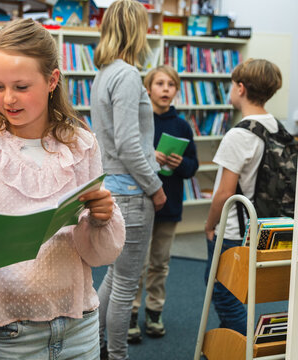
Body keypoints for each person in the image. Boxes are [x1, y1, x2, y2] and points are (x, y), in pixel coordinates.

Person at [0, 18, 125, 360]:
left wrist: (102, 218)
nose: (8, 99)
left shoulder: (82, 145)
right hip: (12, 331)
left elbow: (98, 255)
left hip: (79, 323)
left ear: (52, 80)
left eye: (21, 87)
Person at [90, 0, 167, 358]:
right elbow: (127, 143)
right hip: (132, 193)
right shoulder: (126, 75)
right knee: (125, 284)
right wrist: (155, 186)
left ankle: (95, 346)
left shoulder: (105, 73)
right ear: (135, 29)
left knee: (113, 277)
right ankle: (115, 354)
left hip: (113, 187)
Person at [204, 58, 282, 335]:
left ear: (240, 88)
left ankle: (243, 346)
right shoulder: (277, 127)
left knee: (223, 291)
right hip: (267, 226)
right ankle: (226, 348)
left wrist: (210, 224)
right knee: (240, 289)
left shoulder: (239, 134)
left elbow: (225, 193)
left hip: (234, 230)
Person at [127, 65, 198, 343]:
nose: (166, 88)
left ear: (176, 90)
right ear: (148, 89)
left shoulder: (182, 126)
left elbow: (192, 166)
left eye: (171, 84)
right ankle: (131, 313)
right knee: (137, 264)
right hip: (141, 203)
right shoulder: (139, 123)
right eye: (160, 83)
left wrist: (181, 164)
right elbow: (128, 160)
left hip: (170, 206)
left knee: (160, 262)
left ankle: (154, 311)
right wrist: (149, 157)